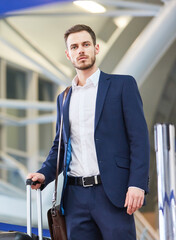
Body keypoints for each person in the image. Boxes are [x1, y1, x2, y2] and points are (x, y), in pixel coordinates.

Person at [27, 24, 150, 240]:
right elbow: (61, 146)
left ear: (96, 48)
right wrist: (44, 174)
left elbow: (139, 139)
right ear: (68, 54)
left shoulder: (122, 85)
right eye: (74, 47)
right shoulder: (63, 98)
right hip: (75, 198)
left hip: (113, 192)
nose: (80, 50)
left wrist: (137, 184)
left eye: (85, 44)